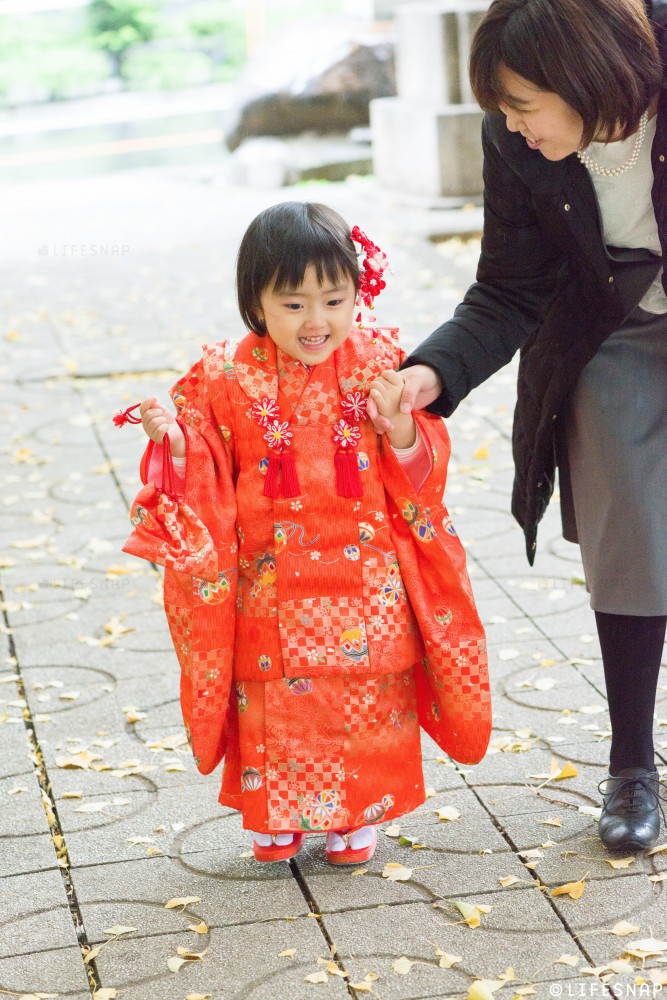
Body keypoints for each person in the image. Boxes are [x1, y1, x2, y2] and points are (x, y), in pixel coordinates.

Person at [369, 0, 667, 852]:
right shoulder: (516, 145)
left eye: (521, 104)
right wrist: (428, 373)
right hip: (604, 329)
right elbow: (507, 287)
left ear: (581, 78)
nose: (509, 125)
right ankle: (632, 765)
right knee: (628, 534)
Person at [116, 202, 491, 864]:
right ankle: (276, 815)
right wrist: (174, 442)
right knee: (276, 706)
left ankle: (356, 816)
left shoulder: (382, 361)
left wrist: (400, 424)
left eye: (333, 299)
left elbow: (420, 462)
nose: (315, 322)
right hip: (270, 582)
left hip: (366, 582)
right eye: (292, 304)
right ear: (255, 302)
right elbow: (201, 462)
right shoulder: (223, 376)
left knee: (366, 698)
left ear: (357, 293)